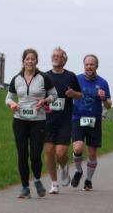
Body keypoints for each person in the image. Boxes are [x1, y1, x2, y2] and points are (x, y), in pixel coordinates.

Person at [5, 49, 57, 198]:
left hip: (38, 121)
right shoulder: (16, 79)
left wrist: (45, 101)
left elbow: (54, 95)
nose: (30, 61)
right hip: (20, 120)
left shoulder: (44, 78)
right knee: (22, 155)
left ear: (36, 61)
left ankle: (37, 179)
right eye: (27, 59)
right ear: (23, 61)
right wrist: (12, 104)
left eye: (32, 59)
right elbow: (8, 98)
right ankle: (25, 188)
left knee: (35, 155)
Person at [70, 55, 112, 191]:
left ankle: (88, 180)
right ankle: (78, 171)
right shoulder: (77, 79)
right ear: (84, 65)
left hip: (95, 120)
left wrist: (104, 98)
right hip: (77, 117)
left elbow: (109, 105)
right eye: (87, 64)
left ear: (96, 66)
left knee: (92, 153)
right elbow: (69, 95)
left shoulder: (103, 82)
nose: (89, 67)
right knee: (77, 148)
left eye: (91, 64)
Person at [43, 47, 81, 193]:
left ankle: (64, 167)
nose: (55, 58)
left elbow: (80, 95)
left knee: (60, 153)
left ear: (64, 60)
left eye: (58, 56)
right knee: (49, 151)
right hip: (47, 120)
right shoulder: (45, 76)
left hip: (65, 121)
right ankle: (54, 183)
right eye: (53, 55)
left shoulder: (70, 76)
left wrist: (73, 94)